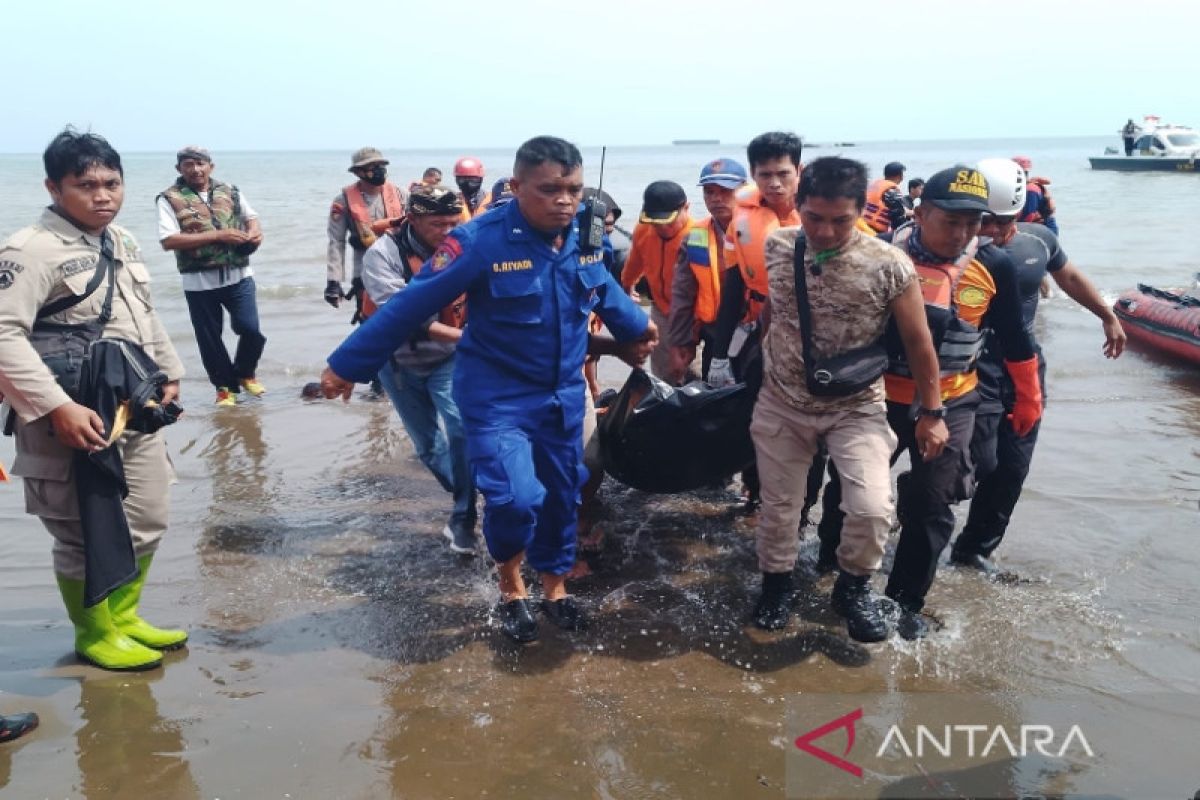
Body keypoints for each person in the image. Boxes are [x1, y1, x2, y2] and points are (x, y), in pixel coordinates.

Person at [319, 136, 655, 644]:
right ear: (517, 187)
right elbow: (410, 306)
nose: (564, 200)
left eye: (573, 189)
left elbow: (602, 288)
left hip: (561, 394)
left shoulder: (585, 234)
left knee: (563, 495)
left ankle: (555, 588)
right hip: (497, 398)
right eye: (549, 190)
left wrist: (635, 331)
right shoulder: (479, 241)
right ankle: (511, 582)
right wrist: (346, 365)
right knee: (515, 500)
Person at [0, 129, 188, 670]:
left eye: (112, 182)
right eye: (85, 185)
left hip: (129, 405)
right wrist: (55, 407)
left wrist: (168, 371)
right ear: (54, 188)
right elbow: (5, 336)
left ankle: (125, 617)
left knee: (149, 514)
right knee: (80, 530)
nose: (102, 195)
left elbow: (142, 313)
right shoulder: (30, 250)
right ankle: (94, 632)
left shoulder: (119, 241)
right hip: (65, 413)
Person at [749, 157, 948, 642]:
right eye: (814, 217)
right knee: (778, 508)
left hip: (855, 406)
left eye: (840, 220)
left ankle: (853, 586)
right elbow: (774, 311)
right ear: (799, 206)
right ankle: (776, 583)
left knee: (872, 506)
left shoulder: (890, 264)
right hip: (782, 401)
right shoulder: (777, 246)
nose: (825, 231)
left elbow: (920, 342)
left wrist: (933, 413)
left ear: (860, 209)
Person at [866, 165, 1041, 639]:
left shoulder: (994, 264)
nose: (962, 232)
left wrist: (1029, 399)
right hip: (878, 398)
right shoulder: (882, 253)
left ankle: (904, 603)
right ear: (920, 213)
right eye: (951, 221)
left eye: (973, 222)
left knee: (931, 504)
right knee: (853, 495)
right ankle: (838, 572)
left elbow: (1014, 338)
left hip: (954, 402)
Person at [949, 158, 1126, 574]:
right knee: (973, 462)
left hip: (1024, 370)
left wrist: (1107, 315)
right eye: (984, 220)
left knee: (1013, 467)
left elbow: (1069, 278)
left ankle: (974, 550)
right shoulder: (948, 252)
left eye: (1003, 220)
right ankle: (917, 517)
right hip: (966, 371)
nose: (993, 230)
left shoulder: (1038, 240)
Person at [360, 185, 478, 554]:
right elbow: (404, 314)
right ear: (412, 219)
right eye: (436, 224)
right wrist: (468, 339)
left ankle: (464, 515)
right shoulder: (382, 254)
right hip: (398, 359)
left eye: (452, 222)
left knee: (461, 427)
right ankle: (467, 492)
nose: (447, 231)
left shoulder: (466, 246)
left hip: (449, 355)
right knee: (428, 445)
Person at [157, 146, 266, 406]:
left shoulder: (230, 191)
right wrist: (219, 235)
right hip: (199, 282)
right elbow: (168, 240)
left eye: (200, 163)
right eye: (188, 165)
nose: (195, 169)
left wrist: (254, 233)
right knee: (210, 339)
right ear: (178, 169)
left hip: (239, 275)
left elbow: (252, 218)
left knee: (251, 331)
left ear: (211, 166)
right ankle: (224, 389)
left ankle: (245, 372)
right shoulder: (168, 198)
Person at [666, 158, 747, 385]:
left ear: (744, 190)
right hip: (714, 333)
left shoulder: (762, 230)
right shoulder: (695, 236)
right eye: (709, 192)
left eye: (725, 191)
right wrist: (680, 342)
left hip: (754, 332)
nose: (716, 198)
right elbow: (683, 294)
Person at [620, 181, 691, 381]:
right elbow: (635, 261)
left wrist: (689, 337)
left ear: (686, 208)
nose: (662, 228)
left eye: (668, 222)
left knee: (691, 371)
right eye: (655, 222)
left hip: (692, 316)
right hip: (661, 309)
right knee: (663, 372)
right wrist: (628, 286)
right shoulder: (644, 230)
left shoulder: (697, 235)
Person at [325, 147, 408, 319]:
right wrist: (333, 281)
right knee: (371, 321)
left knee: (406, 318)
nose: (379, 170)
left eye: (381, 165)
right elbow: (336, 242)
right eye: (372, 167)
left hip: (402, 268)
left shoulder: (401, 195)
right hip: (365, 271)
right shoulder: (343, 202)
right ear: (358, 172)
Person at [1011, 155, 1058, 234]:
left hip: (1044, 229)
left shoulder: (1030, 190)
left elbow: (1029, 215)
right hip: (1039, 226)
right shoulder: (1024, 187)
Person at [861, 161, 909, 234]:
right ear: (900, 176)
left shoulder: (874, 185)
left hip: (863, 224)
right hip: (876, 231)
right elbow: (898, 216)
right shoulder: (891, 191)